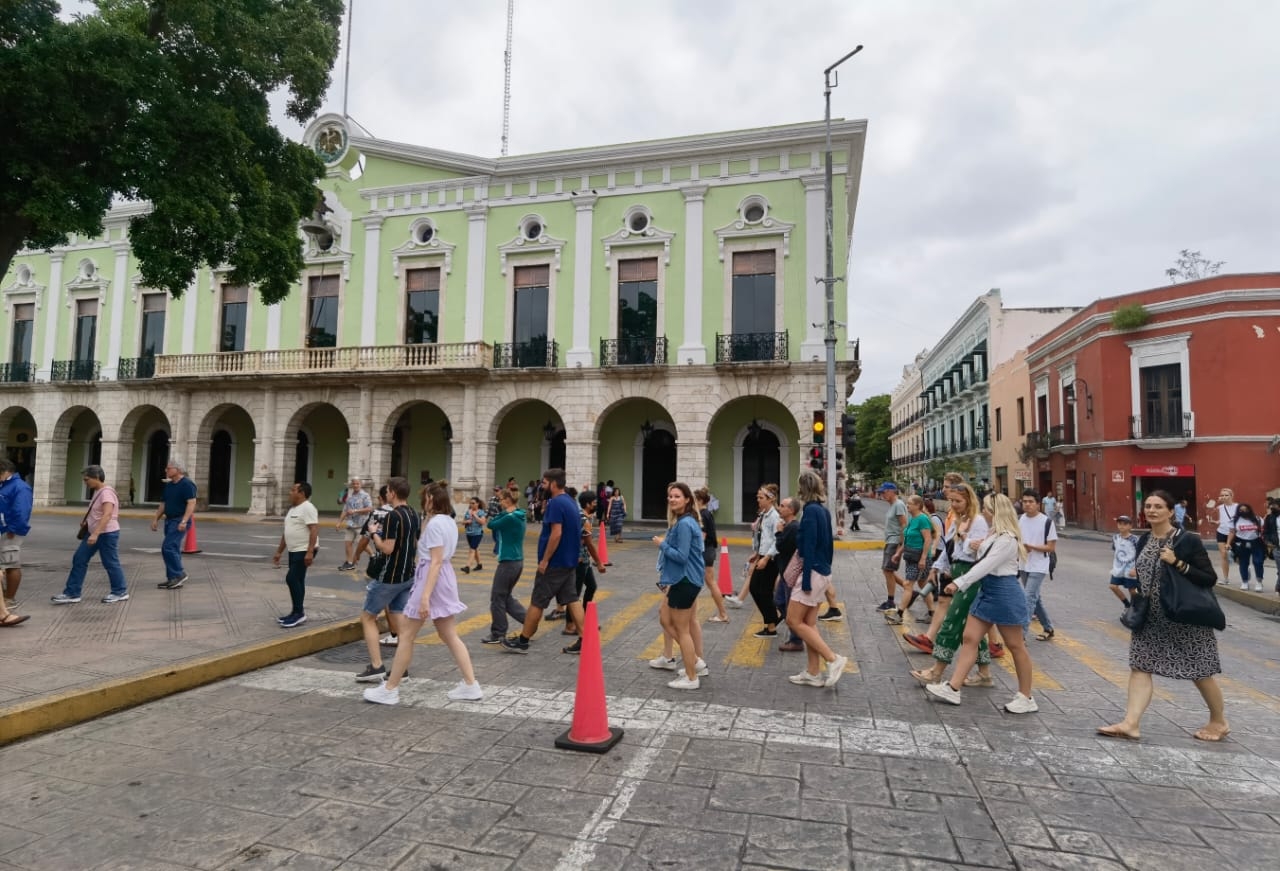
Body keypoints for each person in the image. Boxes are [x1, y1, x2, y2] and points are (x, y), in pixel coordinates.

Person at [1097, 489, 1228, 742]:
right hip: (1151, 617)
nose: (1152, 510)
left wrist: (1178, 563)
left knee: (1199, 672)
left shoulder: (1186, 540)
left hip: (1183, 617)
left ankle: (1219, 721)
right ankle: (1130, 723)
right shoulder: (1144, 540)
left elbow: (1208, 578)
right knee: (1140, 665)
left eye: (1158, 506)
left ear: (1170, 511)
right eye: (1148, 506)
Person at [364, 482, 483, 704]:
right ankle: (470, 685)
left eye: (425, 498)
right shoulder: (447, 520)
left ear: (430, 499)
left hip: (431, 577)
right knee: (449, 635)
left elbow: (435, 561)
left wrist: (425, 597)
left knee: (407, 636)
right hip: (442, 577)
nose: (422, 501)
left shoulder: (437, 523)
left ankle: (390, 689)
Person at [925, 494, 1039, 714]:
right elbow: (972, 553)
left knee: (1015, 646)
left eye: (986, 509)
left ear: (995, 512)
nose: (983, 512)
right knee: (970, 637)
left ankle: (1026, 696)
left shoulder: (1007, 539)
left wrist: (958, 583)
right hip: (987, 591)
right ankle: (953, 687)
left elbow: (986, 565)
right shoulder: (994, 534)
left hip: (1004, 593)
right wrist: (970, 541)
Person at [909, 484, 994, 687]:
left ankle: (937, 670)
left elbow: (978, 552)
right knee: (970, 625)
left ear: (969, 500)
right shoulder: (960, 520)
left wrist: (964, 535)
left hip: (970, 575)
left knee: (952, 621)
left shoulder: (978, 522)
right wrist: (937, 569)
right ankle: (984, 673)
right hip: (957, 572)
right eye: (952, 501)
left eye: (958, 501)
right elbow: (949, 548)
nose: (954, 505)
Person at [501, 468, 583, 653]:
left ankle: (523, 640)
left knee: (538, 601)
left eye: (544, 483)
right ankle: (585, 638)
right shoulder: (570, 501)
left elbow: (556, 533)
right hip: (568, 562)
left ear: (553, 484)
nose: (542, 486)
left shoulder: (555, 503)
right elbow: (576, 531)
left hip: (554, 563)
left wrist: (545, 560)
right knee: (572, 599)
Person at [784, 471, 849, 688]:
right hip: (822, 571)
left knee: (793, 621)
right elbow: (828, 545)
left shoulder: (810, 512)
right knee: (809, 624)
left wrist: (807, 582)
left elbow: (808, 547)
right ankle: (813, 672)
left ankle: (833, 659)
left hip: (811, 572)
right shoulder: (823, 510)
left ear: (803, 488)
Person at [353, 477, 419, 683]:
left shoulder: (393, 516)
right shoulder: (414, 514)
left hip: (389, 576)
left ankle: (376, 666)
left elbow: (387, 548)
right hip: (407, 574)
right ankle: (402, 669)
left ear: (392, 493)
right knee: (400, 622)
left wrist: (374, 534)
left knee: (368, 617)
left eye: (388, 490)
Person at [651, 482, 706, 690]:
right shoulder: (683, 521)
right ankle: (695, 662)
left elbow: (682, 556)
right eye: (670, 496)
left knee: (682, 630)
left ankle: (692, 676)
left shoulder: (685, 524)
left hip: (685, 580)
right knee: (665, 618)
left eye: (677, 496)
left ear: (687, 500)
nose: (672, 499)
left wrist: (662, 544)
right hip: (679, 580)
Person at [52, 465, 129, 605]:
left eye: (87, 479)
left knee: (110, 562)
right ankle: (72, 593)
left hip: (106, 534)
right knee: (79, 559)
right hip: (93, 532)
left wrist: (96, 533)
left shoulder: (106, 493)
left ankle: (120, 591)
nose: (85, 482)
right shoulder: (98, 491)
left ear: (97, 477)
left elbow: (107, 515)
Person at [480, 488, 529, 644]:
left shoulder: (509, 517)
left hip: (508, 562)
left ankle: (498, 633)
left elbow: (491, 525)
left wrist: (502, 512)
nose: (499, 502)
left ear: (507, 500)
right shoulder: (519, 515)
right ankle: (529, 622)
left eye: (501, 500)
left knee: (497, 597)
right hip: (516, 561)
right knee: (505, 597)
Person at [562, 490, 607, 647]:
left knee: (591, 587)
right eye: (594, 502)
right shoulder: (583, 519)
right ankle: (570, 625)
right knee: (574, 594)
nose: (596, 504)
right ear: (587, 504)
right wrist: (599, 562)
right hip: (579, 561)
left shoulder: (586, 516)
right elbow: (589, 543)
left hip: (584, 560)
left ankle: (584, 620)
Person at [737, 485, 782, 637]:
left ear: (771, 499)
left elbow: (777, 540)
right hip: (762, 555)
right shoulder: (764, 514)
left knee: (760, 589)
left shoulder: (774, 516)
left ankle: (772, 623)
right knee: (760, 590)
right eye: (758, 497)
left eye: (761, 497)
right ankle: (772, 621)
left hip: (770, 558)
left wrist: (766, 558)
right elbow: (762, 537)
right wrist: (756, 553)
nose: (758, 500)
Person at [272, 482, 318, 628]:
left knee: (291, 578)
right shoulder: (293, 509)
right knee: (298, 580)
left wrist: (310, 551)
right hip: (294, 550)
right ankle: (296, 612)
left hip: (304, 549)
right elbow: (287, 532)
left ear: (302, 493)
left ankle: (299, 613)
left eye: (293, 490)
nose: (290, 493)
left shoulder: (308, 508)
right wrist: (279, 551)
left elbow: (314, 529)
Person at [883, 494, 934, 625]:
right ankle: (932, 613)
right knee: (923, 585)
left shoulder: (922, 519)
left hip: (920, 558)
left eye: (910, 503)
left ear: (917, 505)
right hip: (911, 556)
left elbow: (928, 539)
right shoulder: (912, 519)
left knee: (908, 585)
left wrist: (923, 558)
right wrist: (898, 553)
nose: (907, 505)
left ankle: (899, 614)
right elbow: (907, 539)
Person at [1017, 489, 1057, 641]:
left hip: (1039, 565)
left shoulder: (1046, 522)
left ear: (1038, 504)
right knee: (1035, 598)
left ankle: (1021, 636)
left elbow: (1051, 548)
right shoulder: (1019, 520)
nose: (1027, 504)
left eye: (1030, 502)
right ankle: (1048, 627)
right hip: (1023, 564)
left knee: (1028, 598)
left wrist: (1031, 547)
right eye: (1024, 501)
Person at [151, 460, 197, 590]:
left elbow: (191, 503)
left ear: (178, 470)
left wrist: (184, 521)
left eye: (169, 468)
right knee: (173, 549)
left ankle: (179, 574)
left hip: (179, 520)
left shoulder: (187, 484)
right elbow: (163, 504)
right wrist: (155, 519)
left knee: (168, 547)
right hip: (169, 520)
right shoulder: (169, 485)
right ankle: (172, 579)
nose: (166, 470)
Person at [0, 457, 33, 611]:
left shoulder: (20, 487)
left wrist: (13, 529)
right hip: (4, 529)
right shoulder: (5, 485)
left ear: (6, 471)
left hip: (11, 531)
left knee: (11, 564)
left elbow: (21, 511)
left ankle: (9, 599)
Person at [773, 497, 805, 651]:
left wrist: (779, 533)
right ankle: (796, 629)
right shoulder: (788, 526)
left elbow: (782, 547)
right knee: (779, 601)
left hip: (791, 574)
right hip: (784, 573)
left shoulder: (793, 527)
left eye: (783, 506)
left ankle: (797, 638)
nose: (779, 508)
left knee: (787, 604)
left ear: (791, 510)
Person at [694, 488, 729, 623]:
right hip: (708, 550)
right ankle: (722, 613)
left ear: (700, 501)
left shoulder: (702, 514)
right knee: (709, 582)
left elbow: (702, 536)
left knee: (710, 582)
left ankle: (723, 613)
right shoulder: (707, 513)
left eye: (694, 500)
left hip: (705, 551)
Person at [876, 482, 909, 613]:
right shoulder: (892, 505)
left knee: (887, 570)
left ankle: (891, 601)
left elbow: (904, 525)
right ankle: (909, 590)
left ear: (892, 491)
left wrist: (901, 545)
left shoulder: (898, 505)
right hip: (890, 541)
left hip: (895, 541)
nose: (882, 495)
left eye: (884, 492)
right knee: (887, 570)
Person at [1225, 502, 1266, 592]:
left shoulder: (1257, 519)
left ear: (1249, 510)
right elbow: (1232, 532)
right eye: (1241, 510)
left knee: (1258, 562)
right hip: (1241, 542)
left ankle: (1259, 582)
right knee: (1243, 563)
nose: (1243, 511)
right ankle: (1244, 581)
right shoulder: (1235, 520)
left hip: (1256, 542)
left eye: (1245, 509)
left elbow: (1263, 530)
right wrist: (1228, 543)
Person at [337, 478, 372, 571]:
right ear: (352, 485)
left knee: (361, 544)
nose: (355, 485)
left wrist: (356, 511)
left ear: (361, 484)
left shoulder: (365, 495)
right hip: (351, 524)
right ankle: (349, 563)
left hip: (361, 524)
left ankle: (374, 556)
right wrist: (339, 522)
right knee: (347, 542)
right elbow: (345, 510)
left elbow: (369, 508)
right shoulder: (350, 497)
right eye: (354, 484)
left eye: (357, 483)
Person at [1107, 515, 1140, 611]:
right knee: (1113, 586)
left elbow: (1140, 554)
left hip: (1130, 568)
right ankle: (1127, 604)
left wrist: (1135, 568)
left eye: (1125, 524)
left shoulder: (1135, 539)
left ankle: (1137, 607)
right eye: (1119, 524)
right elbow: (1115, 550)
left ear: (1130, 526)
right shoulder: (1115, 537)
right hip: (1118, 568)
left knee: (1132, 590)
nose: (1121, 526)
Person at [1213, 488, 1238, 585]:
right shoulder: (1219, 507)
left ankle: (1244, 566)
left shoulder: (1238, 507)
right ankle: (1226, 578)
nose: (1223, 497)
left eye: (1226, 495)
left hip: (1235, 533)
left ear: (1231, 496)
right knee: (1223, 554)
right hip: (1221, 532)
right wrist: (1215, 522)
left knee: (1238, 556)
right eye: (1222, 495)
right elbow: (1220, 520)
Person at [460, 497, 487, 573]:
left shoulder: (481, 512)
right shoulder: (468, 512)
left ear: (477, 504)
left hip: (477, 534)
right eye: (470, 503)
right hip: (469, 533)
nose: (471, 505)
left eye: (473, 503)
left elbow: (483, 522)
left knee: (472, 550)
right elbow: (462, 522)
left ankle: (467, 566)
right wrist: (466, 521)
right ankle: (479, 564)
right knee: (475, 549)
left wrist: (475, 515)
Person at [1264, 500, 1280, 593]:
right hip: (1277, 548)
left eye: (1275, 506)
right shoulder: (1269, 518)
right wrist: (1268, 542)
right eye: (1271, 506)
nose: (1272, 508)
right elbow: (1266, 532)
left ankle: (1278, 587)